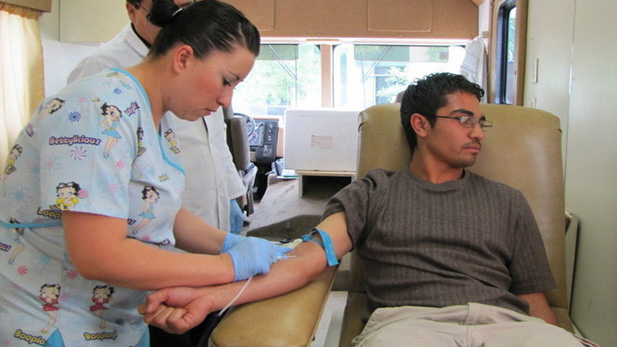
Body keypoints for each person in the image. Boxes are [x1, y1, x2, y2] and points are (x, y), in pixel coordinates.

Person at [140, 73, 584, 346]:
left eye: (480, 122)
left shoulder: (507, 201)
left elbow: (533, 300)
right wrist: (208, 299)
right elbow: (303, 262)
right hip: (411, 329)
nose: (479, 133)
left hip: (508, 326)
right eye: (464, 119)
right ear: (421, 124)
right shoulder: (374, 192)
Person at [0, 1, 290, 346]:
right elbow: (99, 254)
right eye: (226, 81)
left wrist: (227, 242)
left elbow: (154, 207)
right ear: (183, 58)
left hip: (116, 320)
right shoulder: (95, 110)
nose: (227, 100)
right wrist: (229, 266)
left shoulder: (157, 116)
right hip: (52, 321)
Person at [67, 0, 247, 234]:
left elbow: (214, 139)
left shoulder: (201, 57)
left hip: (198, 216)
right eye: (170, 12)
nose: (181, 22)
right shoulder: (101, 71)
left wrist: (232, 194)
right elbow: (95, 197)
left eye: (187, 9)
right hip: (145, 227)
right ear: (132, 11)